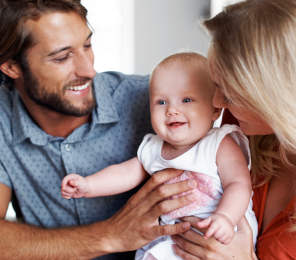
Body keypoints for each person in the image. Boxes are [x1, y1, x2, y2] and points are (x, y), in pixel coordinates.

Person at [171, 0, 296, 259]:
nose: (217, 104)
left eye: (230, 95)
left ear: (281, 98)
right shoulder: (243, 131)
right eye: (217, 85)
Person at [0, 1, 198, 259]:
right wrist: (110, 235)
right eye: (61, 57)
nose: (89, 70)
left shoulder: (155, 104)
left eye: (87, 45)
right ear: (11, 66)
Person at [61, 52, 258, 260]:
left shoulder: (219, 144)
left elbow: (238, 184)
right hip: (172, 238)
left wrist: (225, 217)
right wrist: (89, 185)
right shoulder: (153, 148)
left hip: (221, 236)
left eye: (187, 99)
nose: (172, 110)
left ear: (215, 111)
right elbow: (124, 173)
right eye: (161, 102)